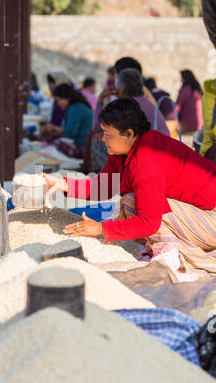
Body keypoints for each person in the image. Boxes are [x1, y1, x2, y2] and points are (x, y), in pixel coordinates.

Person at [44, 98, 216, 274]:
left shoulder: (146, 161)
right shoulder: (124, 150)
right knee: (129, 204)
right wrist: (63, 184)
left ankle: (194, 259)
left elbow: (149, 222)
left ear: (129, 134)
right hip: (200, 211)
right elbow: (104, 186)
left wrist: (101, 228)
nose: (103, 139)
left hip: (212, 215)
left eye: (108, 134)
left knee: (132, 205)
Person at [90, 68, 170, 173]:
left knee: (98, 140)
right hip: (160, 153)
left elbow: (97, 128)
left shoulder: (126, 107)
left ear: (121, 89)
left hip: (149, 158)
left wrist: (100, 99)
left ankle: (111, 180)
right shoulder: (148, 103)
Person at [43, 83, 93, 158]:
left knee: (55, 144)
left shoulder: (75, 108)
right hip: (84, 145)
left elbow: (70, 133)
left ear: (67, 98)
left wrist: (53, 128)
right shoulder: (74, 107)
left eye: (59, 100)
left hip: (85, 148)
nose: (58, 104)